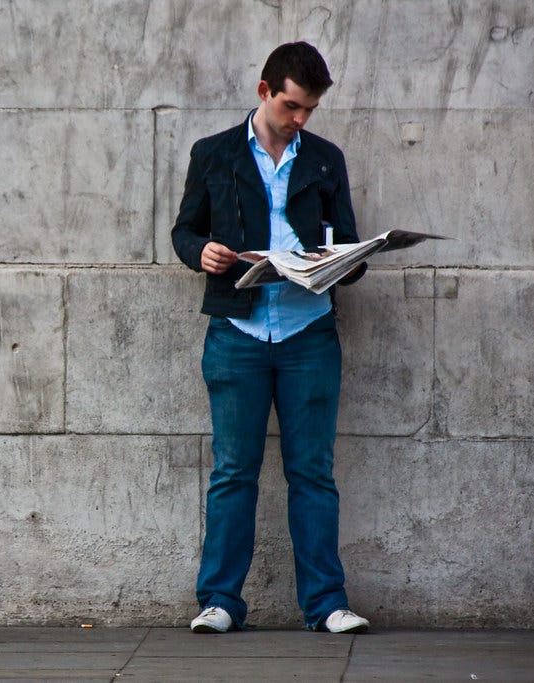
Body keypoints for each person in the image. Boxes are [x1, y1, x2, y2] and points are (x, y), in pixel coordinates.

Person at [171, 41, 370, 634]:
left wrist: (347, 261)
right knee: (234, 469)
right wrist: (199, 252)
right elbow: (184, 231)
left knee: (312, 471)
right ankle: (220, 602)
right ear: (264, 92)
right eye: (292, 106)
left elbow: (349, 243)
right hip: (238, 329)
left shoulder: (326, 159)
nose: (301, 118)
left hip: (308, 330)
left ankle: (326, 604)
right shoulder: (215, 153)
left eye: (310, 108)